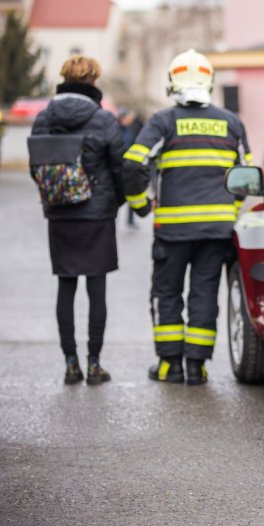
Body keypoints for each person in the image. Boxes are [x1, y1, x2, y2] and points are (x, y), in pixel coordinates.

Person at [122, 49, 252, 385]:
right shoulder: (232, 123)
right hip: (216, 231)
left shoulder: (163, 121)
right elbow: (247, 177)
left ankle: (170, 366)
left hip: (173, 231)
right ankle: (197, 367)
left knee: (167, 293)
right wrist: (231, 212)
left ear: (172, 82)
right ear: (209, 82)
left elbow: (134, 163)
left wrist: (139, 204)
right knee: (204, 294)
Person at [29, 56, 125, 385]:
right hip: (97, 215)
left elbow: (36, 169)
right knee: (96, 289)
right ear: (94, 81)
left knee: (65, 286)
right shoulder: (104, 120)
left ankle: (70, 363)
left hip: (60, 213)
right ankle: (94, 364)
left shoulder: (43, 118)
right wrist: (115, 203)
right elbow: (120, 168)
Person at [118, 109, 143, 227]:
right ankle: (115, 219)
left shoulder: (130, 130)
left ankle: (130, 219)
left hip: (128, 164)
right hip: (119, 165)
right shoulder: (115, 129)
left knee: (131, 193)